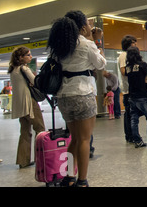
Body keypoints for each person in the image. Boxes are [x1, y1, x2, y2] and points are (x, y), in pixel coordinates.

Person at [47, 10, 107, 187]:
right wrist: (99, 49)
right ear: (81, 27)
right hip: (83, 94)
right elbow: (100, 64)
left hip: (64, 97)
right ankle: (82, 181)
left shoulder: (60, 46)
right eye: (88, 24)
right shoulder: (86, 44)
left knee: (74, 138)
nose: (90, 27)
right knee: (84, 140)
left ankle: (69, 177)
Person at [8, 46, 45, 169]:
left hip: (19, 105)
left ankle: (23, 160)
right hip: (29, 103)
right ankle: (42, 158)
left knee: (24, 132)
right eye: (28, 55)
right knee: (40, 130)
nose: (30, 57)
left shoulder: (13, 70)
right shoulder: (24, 68)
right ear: (21, 57)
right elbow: (35, 82)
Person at [125, 46, 147, 149]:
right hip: (143, 95)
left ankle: (137, 141)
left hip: (132, 95)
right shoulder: (143, 65)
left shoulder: (128, 67)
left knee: (134, 119)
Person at [118, 35, 137, 143]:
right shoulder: (123, 56)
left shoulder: (130, 55)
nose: (135, 45)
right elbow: (123, 71)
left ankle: (133, 134)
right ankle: (129, 135)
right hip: (127, 89)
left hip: (133, 88)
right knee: (129, 113)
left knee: (133, 113)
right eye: (134, 43)